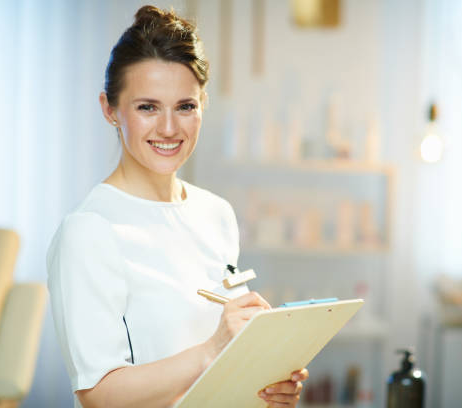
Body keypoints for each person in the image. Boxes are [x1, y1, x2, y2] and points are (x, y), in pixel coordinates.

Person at [47, 5, 308, 408]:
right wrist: (212, 349)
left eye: (185, 106)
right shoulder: (90, 230)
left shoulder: (217, 213)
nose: (169, 128)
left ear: (203, 103)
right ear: (110, 109)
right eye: (147, 107)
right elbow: (98, 394)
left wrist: (267, 380)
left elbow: (228, 356)